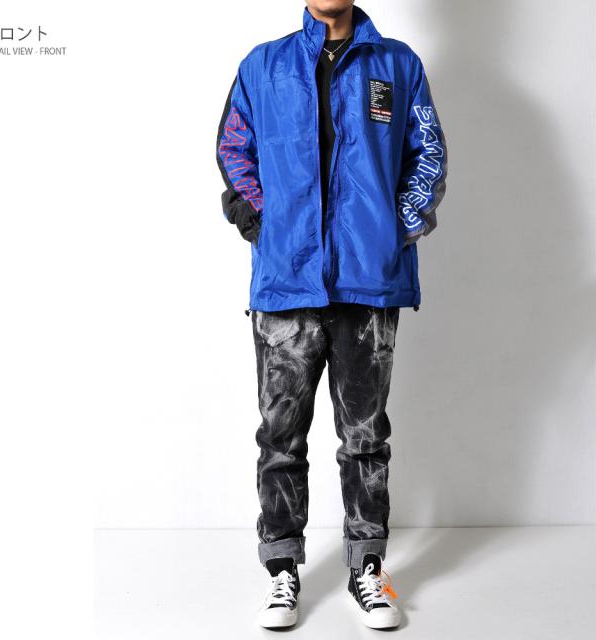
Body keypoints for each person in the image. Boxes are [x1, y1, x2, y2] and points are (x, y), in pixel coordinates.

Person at [215, 0, 447, 629]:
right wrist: (263, 220)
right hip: (286, 283)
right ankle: (282, 568)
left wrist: (393, 231)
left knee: (365, 438)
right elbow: (235, 147)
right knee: (280, 436)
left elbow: (427, 154)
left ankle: (367, 567)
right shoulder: (263, 67)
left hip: (368, 286)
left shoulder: (397, 65)